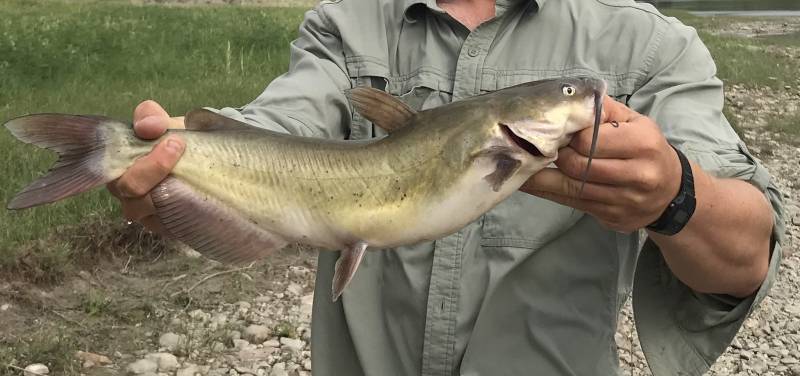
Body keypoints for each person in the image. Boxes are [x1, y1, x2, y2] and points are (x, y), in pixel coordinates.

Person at [107, 0, 785, 374]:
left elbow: (744, 256)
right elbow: (283, 127)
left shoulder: (646, 44)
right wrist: (187, 163)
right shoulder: (345, 24)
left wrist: (676, 195)